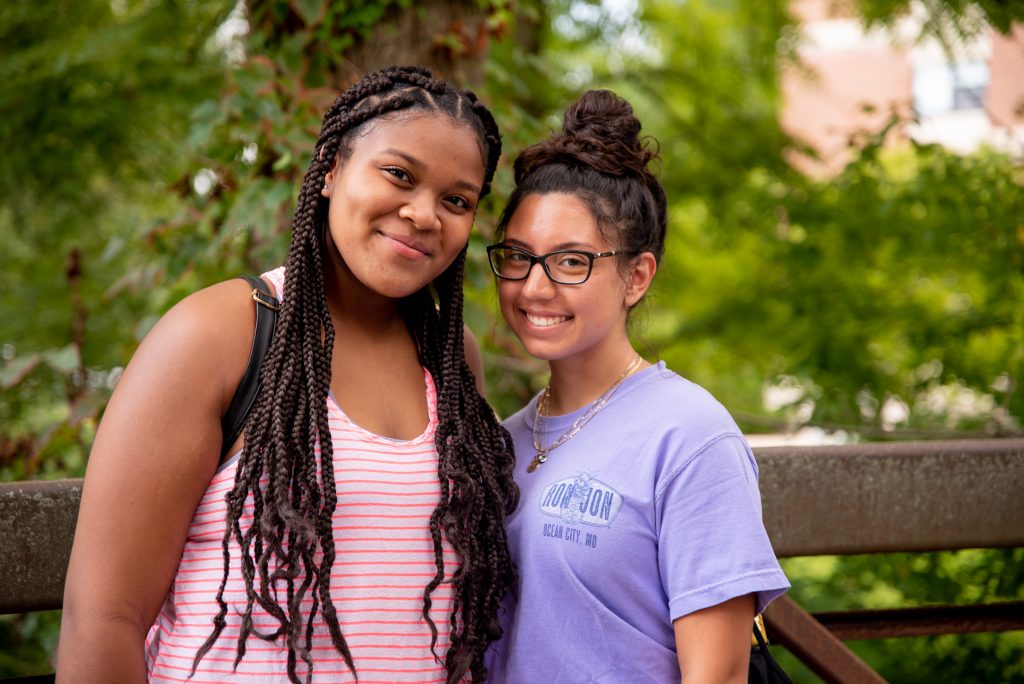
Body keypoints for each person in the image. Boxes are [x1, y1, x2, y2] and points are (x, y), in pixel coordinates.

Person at [57, 66, 518, 684]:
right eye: (399, 174)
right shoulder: (220, 334)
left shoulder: (451, 358)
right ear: (330, 170)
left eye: (456, 200)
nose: (422, 213)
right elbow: (103, 619)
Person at [483, 89, 790, 683]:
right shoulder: (502, 440)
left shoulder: (690, 437)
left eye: (571, 262)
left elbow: (717, 677)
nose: (533, 287)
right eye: (519, 257)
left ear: (636, 276)